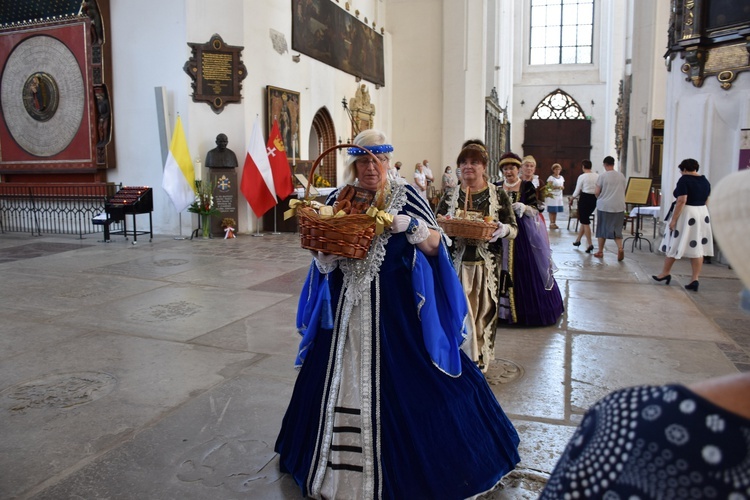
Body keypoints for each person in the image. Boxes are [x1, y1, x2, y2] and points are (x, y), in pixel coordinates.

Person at [275, 129, 520, 499]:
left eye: (377, 160)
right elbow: (323, 251)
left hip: (397, 315)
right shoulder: (337, 197)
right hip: (344, 310)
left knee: (426, 385)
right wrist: (323, 259)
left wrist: (417, 230)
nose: (370, 168)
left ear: (388, 161)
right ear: (354, 163)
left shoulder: (407, 197)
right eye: (362, 161)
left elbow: (439, 247)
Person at [540, 168, 750, 499]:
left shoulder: (635, 424)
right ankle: (692, 277)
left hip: (670, 214)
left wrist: (672, 219)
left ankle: (606, 251)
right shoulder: (687, 180)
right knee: (691, 250)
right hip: (694, 216)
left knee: (655, 241)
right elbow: (705, 199)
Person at [435, 142, 518, 371]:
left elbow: (514, 227)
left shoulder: (497, 194)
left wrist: (503, 229)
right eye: (463, 163)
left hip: (485, 266)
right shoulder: (451, 194)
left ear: (484, 167)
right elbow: (435, 222)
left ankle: (480, 359)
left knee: (482, 316)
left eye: (474, 162)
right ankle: (460, 359)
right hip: (456, 264)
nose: (468, 167)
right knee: (459, 314)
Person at [495, 152, 564, 327]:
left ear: (518, 169)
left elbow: (536, 209)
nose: (508, 171)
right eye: (505, 168)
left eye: (512, 168)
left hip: (521, 233)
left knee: (523, 265)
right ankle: (498, 312)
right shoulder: (496, 186)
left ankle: (524, 311)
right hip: (498, 231)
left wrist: (524, 207)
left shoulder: (526, 186)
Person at [652, 158, 713, 291]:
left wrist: (673, 220)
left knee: (674, 241)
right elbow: (707, 198)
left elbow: (681, 200)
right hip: (702, 212)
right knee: (697, 247)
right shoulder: (704, 180)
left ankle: (665, 273)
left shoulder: (684, 179)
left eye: (681, 171)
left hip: (687, 213)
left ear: (685, 169)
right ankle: (694, 279)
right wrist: (702, 213)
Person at [594, 156, 626, 261]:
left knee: (602, 228)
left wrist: (600, 196)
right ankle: (620, 248)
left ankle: (600, 251)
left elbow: (597, 192)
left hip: (605, 206)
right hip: (619, 206)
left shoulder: (602, 176)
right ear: (613, 164)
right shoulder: (621, 176)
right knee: (617, 229)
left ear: (605, 164)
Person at [570, 159, 598, 253]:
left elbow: (577, 190)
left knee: (585, 221)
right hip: (594, 199)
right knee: (584, 219)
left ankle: (590, 244)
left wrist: (572, 198)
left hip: (585, 198)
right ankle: (578, 240)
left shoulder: (582, 176)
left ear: (583, 167)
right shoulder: (597, 176)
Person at [546, 163, 565, 229]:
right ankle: (551, 223)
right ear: (553, 170)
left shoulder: (561, 177)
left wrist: (562, 187)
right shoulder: (551, 178)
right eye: (556, 169)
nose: (557, 171)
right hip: (552, 196)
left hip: (558, 196)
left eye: (559, 169)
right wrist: (557, 187)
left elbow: (562, 185)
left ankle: (554, 222)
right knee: (552, 210)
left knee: (555, 210)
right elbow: (548, 187)